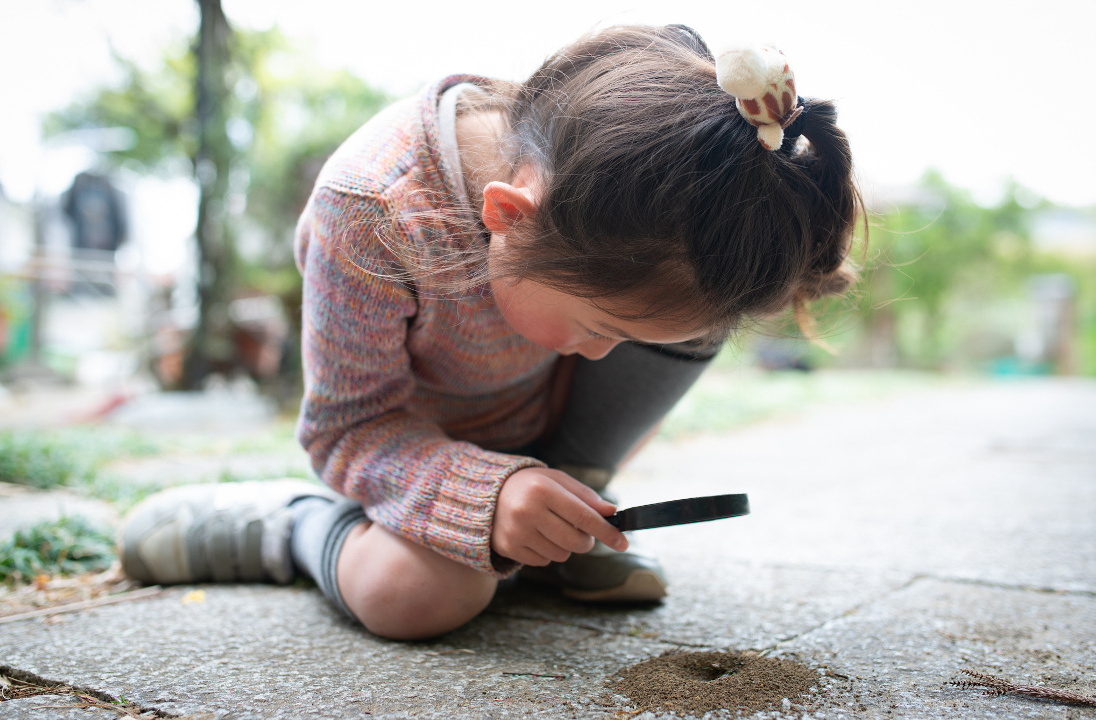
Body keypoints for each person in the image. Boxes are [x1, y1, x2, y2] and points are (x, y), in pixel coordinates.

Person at [119, 24, 861, 641]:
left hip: (533, 440)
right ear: (509, 217)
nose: (607, 358)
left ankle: (567, 509)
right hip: (404, 456)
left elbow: (643, 320)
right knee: (419, 597)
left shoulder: (610, 194)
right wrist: (484, 495)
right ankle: (293, 526)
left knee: (682, 317)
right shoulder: (375, 211)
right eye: (598, 328)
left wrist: (549, 493)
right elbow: (349, 428)